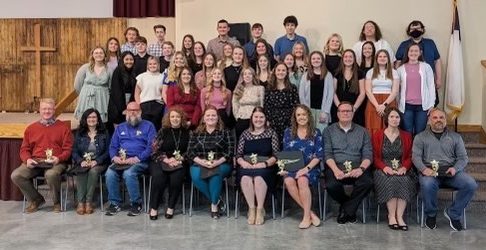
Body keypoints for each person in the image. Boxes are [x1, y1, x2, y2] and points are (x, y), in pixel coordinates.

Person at [412, 108, 477, 231]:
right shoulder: (420, 137)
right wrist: (424, 169)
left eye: (441, 117)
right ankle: (431, 215)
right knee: (427, 184)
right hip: (429, 172)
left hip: (451, 172)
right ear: (429, 120)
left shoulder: (456, 137)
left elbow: (463, 158)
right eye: (435, 118)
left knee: (471, 184)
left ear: (446, 121)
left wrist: (455, 169)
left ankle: (454, 213)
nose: (438, 120)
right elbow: (415, 157)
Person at [11, 98, 73, 213]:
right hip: (36, 161)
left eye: (49, 109)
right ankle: (36, 199)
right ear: (39, 110)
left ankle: (56, 203)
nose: (47, 111)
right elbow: (24, 149)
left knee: (51, 174)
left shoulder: (63, 128)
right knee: (16, 175)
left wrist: (59, 158)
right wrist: (27, 159)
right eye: (44, 109)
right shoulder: (31, 128)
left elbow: (68, 149)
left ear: (54, 110)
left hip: (56, 161)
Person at [323, 102, 373, 224]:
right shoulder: (328, 131)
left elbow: (368, 154)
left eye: (348, 111)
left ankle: (346, 210)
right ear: (338, 113)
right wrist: (335, 170)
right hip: (336, 165)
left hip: (357, 165)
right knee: (331, 185)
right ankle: (350, 208)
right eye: (342, 111)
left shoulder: (363, 131)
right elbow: (327, 154)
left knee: (367, 182)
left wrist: (361, 169)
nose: (345, 113)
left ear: (353, 113)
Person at [105, 102, 156, 216]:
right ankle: (115, 203)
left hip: (140, 161)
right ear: (126, 112)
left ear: (140, 112)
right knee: (109, 173)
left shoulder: (149, 126)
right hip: (122, 161)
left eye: (135, 110)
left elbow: (151, 147)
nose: (132, 112)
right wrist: (114, 157)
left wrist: (137, 158)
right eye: (130, 110)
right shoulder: (120, 127)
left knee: (128, 174)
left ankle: (136, 204)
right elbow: (113, 146)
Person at [372, 107, 415, 231]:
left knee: (404, 180)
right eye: (392, 117)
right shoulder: (378, 135)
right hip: (383, 168)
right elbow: (374, 156)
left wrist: (405, 167)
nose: (395, 119)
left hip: (402, 167)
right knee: (390, 180)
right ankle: (391, 216)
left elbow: (410, 156)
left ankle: (400, 217)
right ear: (387, 119)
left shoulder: (406, 136)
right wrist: (384, 167)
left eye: (397, 117)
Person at [187, 106, 235, 219]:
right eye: (208, 115)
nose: (210, 117)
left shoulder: (225, 132)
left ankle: (214, 206)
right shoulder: (195, 133)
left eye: (213, 115)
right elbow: (190, 152)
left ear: (218, 118)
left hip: (222, 163)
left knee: (215, 174)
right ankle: (217, 200)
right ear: (203, 118)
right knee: (196, 177)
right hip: (199, 162)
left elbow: (230, 151)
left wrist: (217, 162)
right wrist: (201, 162)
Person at [281, 104, 323, 229]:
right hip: (293, 166)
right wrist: (283, 168)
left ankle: (305, 217)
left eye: (304, 114)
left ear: (308, 116)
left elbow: (319, 155)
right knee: (288, 181)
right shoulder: (288, 132)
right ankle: (311, 214)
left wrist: (306, 169)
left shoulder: (316, 132)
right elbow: (286, 153)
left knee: (302, 180)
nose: (301, 117)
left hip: (311, 168)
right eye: (298, 115)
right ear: (295, 117)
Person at [236, 107, 278, 225]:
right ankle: (251, 208)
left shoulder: (271, 133)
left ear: (265, 119)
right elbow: (238, 154)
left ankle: (260, 209)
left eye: (261, 117)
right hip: (247, 165)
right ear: (252, 118)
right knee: (245, 178)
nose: (258, 119)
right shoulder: (245, 134)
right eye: (256, 117)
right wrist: (243, 163)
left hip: (266, 166)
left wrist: (264, 164)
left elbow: (276, 155)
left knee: (259, 178)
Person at [149, 107, 191, 220]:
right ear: (168, 118)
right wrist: (166, 159)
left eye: (178, 116)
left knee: (176, 179)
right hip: (162, 160)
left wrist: (180, 159)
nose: (175, 119)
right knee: (158, 178)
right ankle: (154, 208)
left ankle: (171, 207)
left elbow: (191, 150)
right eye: (172, 116)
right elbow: (154, 150)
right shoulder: (163, 131)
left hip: (180, 161)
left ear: (181, 118)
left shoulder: (188, 132)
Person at [71, 108, 110, 215]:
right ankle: (80, 202)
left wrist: (97, 161)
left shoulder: (104, 133)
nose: (91, 119)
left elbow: (108, 151)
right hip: (83, 162)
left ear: (98, 120)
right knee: (82, 170)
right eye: (89, 117)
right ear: (85, 119)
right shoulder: (79, 133)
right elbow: (74, 151)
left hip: (99, 163)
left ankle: (88, 202)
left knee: (93, 171)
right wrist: (80, 161)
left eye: (94, 117)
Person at [395, 20, 442, 107]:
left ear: (422, 30)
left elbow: (437, 61)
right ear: (409, 31)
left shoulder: (430, 43)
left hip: (428, 81)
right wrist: (397, 81)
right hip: (409, 84)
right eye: (412, 29)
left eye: (418, 28)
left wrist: (439, 79)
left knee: (431, 107)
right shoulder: (403, 45)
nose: (415, 30)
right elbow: (398, 63)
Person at [396, 43, 435, 135]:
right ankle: (408, 150)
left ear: (420, 53)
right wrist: (397, 104)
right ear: (407, 52)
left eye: (416, 51)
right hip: (406, 106)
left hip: (422, 107)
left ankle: (418, 150)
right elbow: (397, 89)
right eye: (411, 51)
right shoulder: (400, 69)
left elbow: (431, 86)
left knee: (420, 132)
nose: (413, 53)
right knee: (407, 132)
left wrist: (431, 104)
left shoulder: (426, 67)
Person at [364, 49, 399, 135]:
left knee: (388, 126)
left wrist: (384, 105)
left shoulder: (394, 72)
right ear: (376, 59)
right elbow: (368, 91)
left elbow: (395, 91)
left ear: (388, 59)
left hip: (389, 101)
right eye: (380, 56)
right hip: (373, 102)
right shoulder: (370, 72)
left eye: (385, 56)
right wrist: (377, 106)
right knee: (373, 127)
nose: (382, 58)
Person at [74, 46, 112, 123]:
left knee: (100, 120)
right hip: (87, 97)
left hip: (102, 97)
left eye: (101, 53)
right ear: (92, 55)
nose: (99, 55)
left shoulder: (109, 69)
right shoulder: (85, 67)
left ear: (105, 55)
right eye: (96, 53)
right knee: (86, 119)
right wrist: (84, 93)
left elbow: (110, 85)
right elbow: (77, 84)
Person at [264, 63, 299, 143]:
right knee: (274, 144)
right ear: (275, 72)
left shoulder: (292, 87)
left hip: (288, 121)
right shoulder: (269, 87)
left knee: (287, 144)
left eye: (283, 70)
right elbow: (266, 105)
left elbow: (296, 104)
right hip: (273, 121)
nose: (281, 72)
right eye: (278, 70)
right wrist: (268, 120)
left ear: (287, 72)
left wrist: (293, 120)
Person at [299, 51, 334, 130]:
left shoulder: (328, 75)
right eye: (313, 58)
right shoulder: (305, 75)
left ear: (322, 60)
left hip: (322, 111)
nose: (316, 60)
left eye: (318, 58)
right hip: (309, 110)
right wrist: (306, 111)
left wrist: (325, 112)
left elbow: (330, 95)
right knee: (309, 133)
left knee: (321, 135)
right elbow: (301, 95)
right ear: (310, 61)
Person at [331, 49, 366, 126]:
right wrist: (340, 107)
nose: (348, 59)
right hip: (339, 108)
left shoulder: (360, 73)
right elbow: (333, 92)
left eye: (351, 57)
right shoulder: (337, 73)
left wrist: (354, 108)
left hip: (355, 108)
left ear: (354, 59)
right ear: (342, 59)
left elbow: (362, 93)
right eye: (346, 57)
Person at [108, 51, 137, 132]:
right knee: (119, 128)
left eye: (131, 59)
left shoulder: (135, 71)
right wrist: (123, 108)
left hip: (131, 100)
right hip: (119, 103)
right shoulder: (118, 71)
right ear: (122, 60)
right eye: (126, 59)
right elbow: (116, 91)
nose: (129, 61)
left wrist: (131, 105)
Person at [232, 67, 264, 139]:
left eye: (250, 74)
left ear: (253, 76)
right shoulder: (238, 90)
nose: (247, 76)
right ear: (242, 77)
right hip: (241, 119)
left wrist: (260, 118)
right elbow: (235, 105)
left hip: (256, 120)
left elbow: (262, 105)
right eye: (245, 74)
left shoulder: (260, 88)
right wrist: (237, 117)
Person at [134, 56, 165, 131]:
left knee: (155, 128)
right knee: (144, 128)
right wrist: (139, 105)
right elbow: (137, 93)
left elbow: (164, 92)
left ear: (158, 65)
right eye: (150, 64)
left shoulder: (163, 77)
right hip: (144, 105)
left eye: (154, 64)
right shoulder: (142, 77)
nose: (152, 66)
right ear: (147, 65)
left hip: (158, 105)